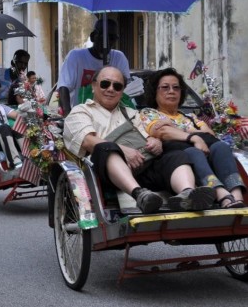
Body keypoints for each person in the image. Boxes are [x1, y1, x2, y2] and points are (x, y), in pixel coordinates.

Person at [63, 66, 214, 213]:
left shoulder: (131, 112)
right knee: (106, 148)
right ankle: (139, 195)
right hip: (105, 174)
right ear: (94, 85)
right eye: (105, 84)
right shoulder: (81, 111)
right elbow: (88, 141)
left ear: (122, 91)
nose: (110, 89)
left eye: (117, 86)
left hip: (142, 165)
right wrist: (123, 150)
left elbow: (147, 135)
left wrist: (156, 142)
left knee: (176, 154)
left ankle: (187, 194)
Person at [140, 68, 246, 208]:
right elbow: (162, 132)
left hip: (203, 152)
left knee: (221, 147)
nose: (171, 91)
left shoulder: (190, 117)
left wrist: (175, 127)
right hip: (175, 160)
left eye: (176, 87)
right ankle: (221, 195)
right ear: (155, 92)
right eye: (165, 87)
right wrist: (194, 137)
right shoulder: (149, 113)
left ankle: (237, 197)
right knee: (193, 152)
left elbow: (210, 137)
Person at [58, 18, 130, 116]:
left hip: (111, 117)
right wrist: (68, 116)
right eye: (102, 37)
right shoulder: (76, 56)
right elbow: (64, 87)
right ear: (93, 37)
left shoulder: (119, 58)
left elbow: (124, 88)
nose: (107, 42)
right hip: (82, 116)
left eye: (111, 38)